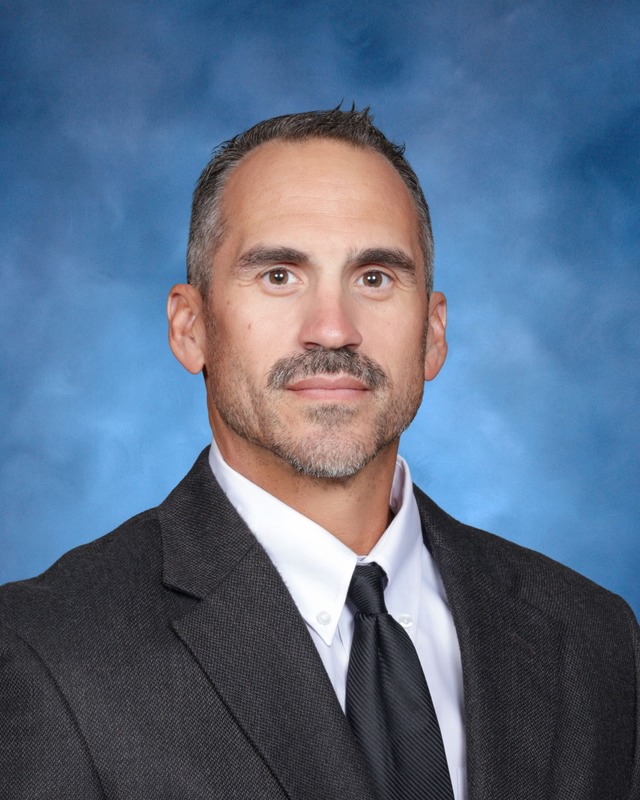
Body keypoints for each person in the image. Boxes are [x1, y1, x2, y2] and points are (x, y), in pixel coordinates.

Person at [0, 108, 638, 800]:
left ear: (432, 334)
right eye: (279, 275)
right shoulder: (48, 651)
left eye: (375, 278)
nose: (332, 330)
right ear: (191, 328)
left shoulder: (596, 638)